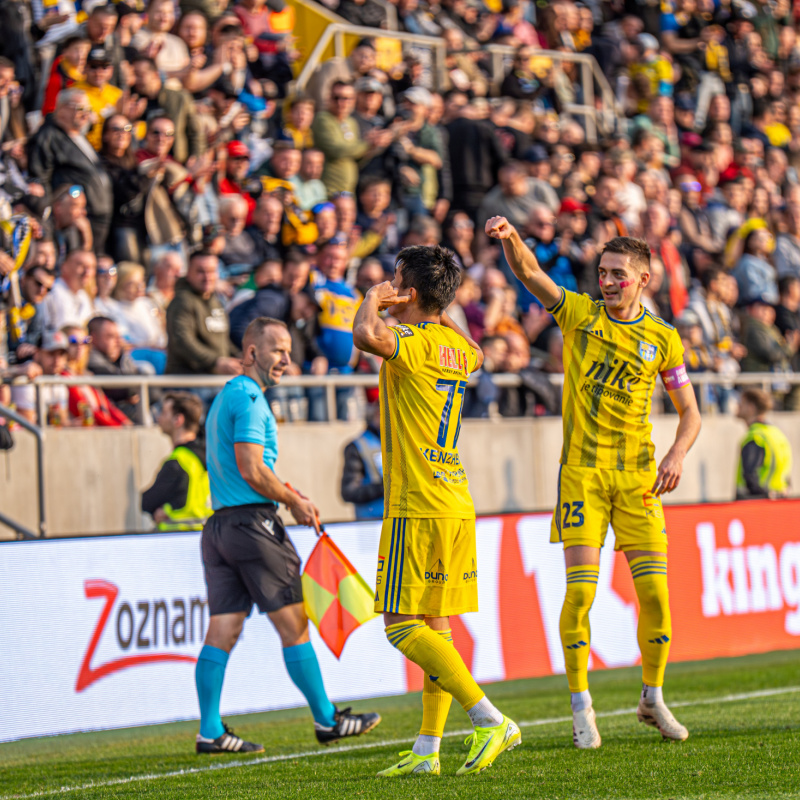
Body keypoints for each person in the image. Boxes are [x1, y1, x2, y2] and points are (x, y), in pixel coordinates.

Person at [486, 216, 701, 749]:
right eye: (602, 272)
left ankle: (651, 697)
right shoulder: (579, 314)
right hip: (582, 477)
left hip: (638, 482)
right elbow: (531, 275)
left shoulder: (663, 341)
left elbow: (691, 412)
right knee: (580, 592)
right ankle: (582, 706)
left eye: (617, 275)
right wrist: (513, 240)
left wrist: (676, 453)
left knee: (654, 594)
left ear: (644, 279)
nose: (606, 282)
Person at [352, 245, 521, 778]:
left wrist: (373, 299)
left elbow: (364, 337)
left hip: (418, 502)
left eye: (397, 278)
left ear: (411, 291)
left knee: (400, 627)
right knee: (436, 624)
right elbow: (477, 351)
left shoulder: (412, 342)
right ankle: (428, 751)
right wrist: (435, 304)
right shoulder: (453, 344)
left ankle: (488, 718)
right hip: (453, 496)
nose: (389, 283)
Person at [196, 316, 381, 754]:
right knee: (294, 624)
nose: (286, 358)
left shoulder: (229, 397)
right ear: (251, 351)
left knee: (223, 629)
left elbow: (248, 472)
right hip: (252, 526)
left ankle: (210, 731)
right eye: (277, 349)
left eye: (288, 350)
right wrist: (292, 502)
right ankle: (327, 719)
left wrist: (289, 492)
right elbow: (252, 468)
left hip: (221, 525)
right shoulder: (250, 399)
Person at [142, 392, 212, 530]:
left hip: (177, 538)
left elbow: (146, 502)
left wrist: (165, 510)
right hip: (207, 534)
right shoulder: (209, 455)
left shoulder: (179, 461)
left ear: (178, 420)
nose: (159, 417)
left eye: (164, 412)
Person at [166, 251, 240, 376]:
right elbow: (182, 341)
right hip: (189, 381)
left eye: (211, 271)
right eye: (201, 271)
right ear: (188, 273)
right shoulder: (182, 301)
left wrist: (240, 358)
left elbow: (223, 341)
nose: (207, 277)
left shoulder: (215, 301)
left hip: (215, 378)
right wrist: (215, 362)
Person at [735, 387, 792, 499]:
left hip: (756, 505)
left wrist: (765, 494)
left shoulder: (755, 437)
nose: (738, 406)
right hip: (780, 503)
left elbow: (750, 477)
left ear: (751, 408)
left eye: (741, 403)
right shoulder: (777, 434)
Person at [340, 400, 383, 520]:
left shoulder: (402, 444)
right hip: (370, 525)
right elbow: (349, 491)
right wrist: (385, 487)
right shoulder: (357, 446)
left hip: (399, 522)